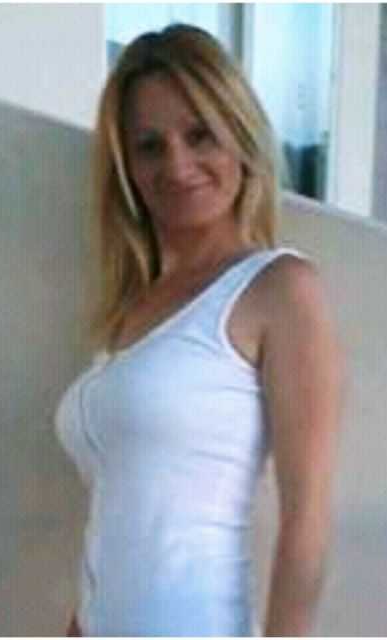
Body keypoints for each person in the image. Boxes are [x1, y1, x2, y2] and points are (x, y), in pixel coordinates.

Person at [55, 23, 346, 637]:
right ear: (127, 168)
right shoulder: (130, 308)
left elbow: (308, 522)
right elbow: (120, 516)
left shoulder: (280, 290)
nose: (177, 164)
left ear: (240, 137)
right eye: (149, 146)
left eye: (200, 135)